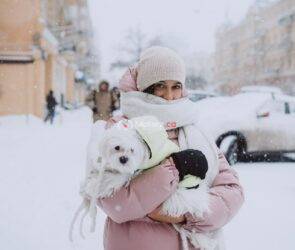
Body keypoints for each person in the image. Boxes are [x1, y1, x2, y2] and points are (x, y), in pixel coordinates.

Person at [95, 47, 244, 250]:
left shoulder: (195, 130)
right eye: (160, 86)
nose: (169, 95)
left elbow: (232, 190)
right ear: (145, 88)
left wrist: (187, 214)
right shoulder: (122, 129)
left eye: (176, 86)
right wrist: (173, 168)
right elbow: (112, 202)